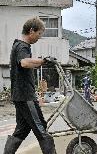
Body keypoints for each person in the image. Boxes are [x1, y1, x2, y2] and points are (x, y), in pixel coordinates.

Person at [3, 17, 57, 154]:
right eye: (39, 34)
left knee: (22, 130)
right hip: (26, 95)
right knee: (41, 129)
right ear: (32, 31)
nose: (39, 38)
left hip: (19, 95)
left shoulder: (18, 46)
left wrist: (38, 62)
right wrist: (43, 60)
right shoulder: (22, 46)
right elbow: (24, 63)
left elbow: (26, 64)